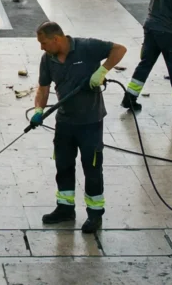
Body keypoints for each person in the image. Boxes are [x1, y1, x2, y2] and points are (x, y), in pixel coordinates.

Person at [30, 21, 126, 232]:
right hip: (65, 122)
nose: (41, 47)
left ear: (56, 39)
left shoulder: (87, 47)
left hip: (90, 122)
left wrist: (101, 71)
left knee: (92, 168)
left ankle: (95, 214)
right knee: (63, 165)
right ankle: (65, 208)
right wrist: (38, 110)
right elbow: (43, 88)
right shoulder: (48, 59)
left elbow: (119, 49)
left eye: (43, 43)